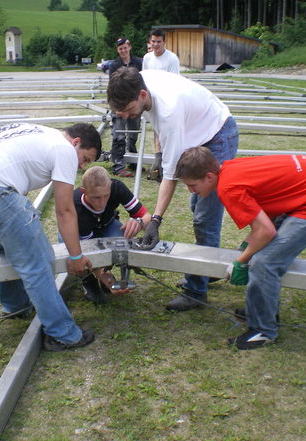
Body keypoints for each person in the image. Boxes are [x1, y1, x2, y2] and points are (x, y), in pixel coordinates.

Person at [174, 147, 306, 350]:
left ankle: (264, 330)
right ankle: (260, 310)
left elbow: (265, 232)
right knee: (256, 253)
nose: (191, 191)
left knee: (264, 263)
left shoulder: (228, 188)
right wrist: (247, 249)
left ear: (208, 176)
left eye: (192, 185)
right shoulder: (229, 169)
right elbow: (262, 224)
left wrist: (240, 262)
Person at [0, 122, 102, 351]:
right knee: (39, 261)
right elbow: (65, 211)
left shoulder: (41, 133)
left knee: (8, 246)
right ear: (76, 143)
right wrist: (76, 256)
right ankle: (62, 334)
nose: (81, 167)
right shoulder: (64, 150)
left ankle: (15, 306)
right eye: (85, 159)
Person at [107, 67, 239, 312]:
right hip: (196, 128)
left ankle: (196, 292)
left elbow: (170, 176)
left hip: (217, 134)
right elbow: (156, 124)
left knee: (205, 217)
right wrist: (158, 152)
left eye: (127, 110)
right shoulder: (137, 79)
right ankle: (209, 269)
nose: (125, 116)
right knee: (196, 206)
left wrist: (155, 220)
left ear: (143, 95)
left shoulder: (169, 110)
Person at [72, 166, 151, 304]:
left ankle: (109, 273)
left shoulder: (117, 187)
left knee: (124, 240)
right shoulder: (75, 205)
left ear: (111, 187)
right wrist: (104, 275)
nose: (102, 202)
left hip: (107, 225)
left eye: (106, 196)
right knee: (76, 250)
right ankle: (88, 280)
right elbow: (88, 251)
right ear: (84, 191)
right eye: (96, 197)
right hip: (79, 233)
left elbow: (146, 216)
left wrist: (139, 222)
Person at [142, 29, 180, 182]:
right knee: (156, 132)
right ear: (150, 42)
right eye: (153, 41)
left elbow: (174, 82)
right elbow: (144, 78)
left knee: (167, 133)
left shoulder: (171, 59)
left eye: (159, 42)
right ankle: (158, 165)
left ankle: (166, 166)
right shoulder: (147, 58)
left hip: (167, 100)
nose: (156, 45)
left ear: (164, 42)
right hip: (152, 100)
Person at [108, 38, 143, 178]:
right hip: (120, 104)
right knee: (119, 134)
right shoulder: (114, 65)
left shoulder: (139, 63)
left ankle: (132, 161)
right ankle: (118, 165)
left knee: (133, 133)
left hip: (134, 104)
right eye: (120, 48)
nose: (123, 50)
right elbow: (112, 87)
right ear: (117, 50)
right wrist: (116, 107)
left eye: (125, 47)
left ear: (129, 47)